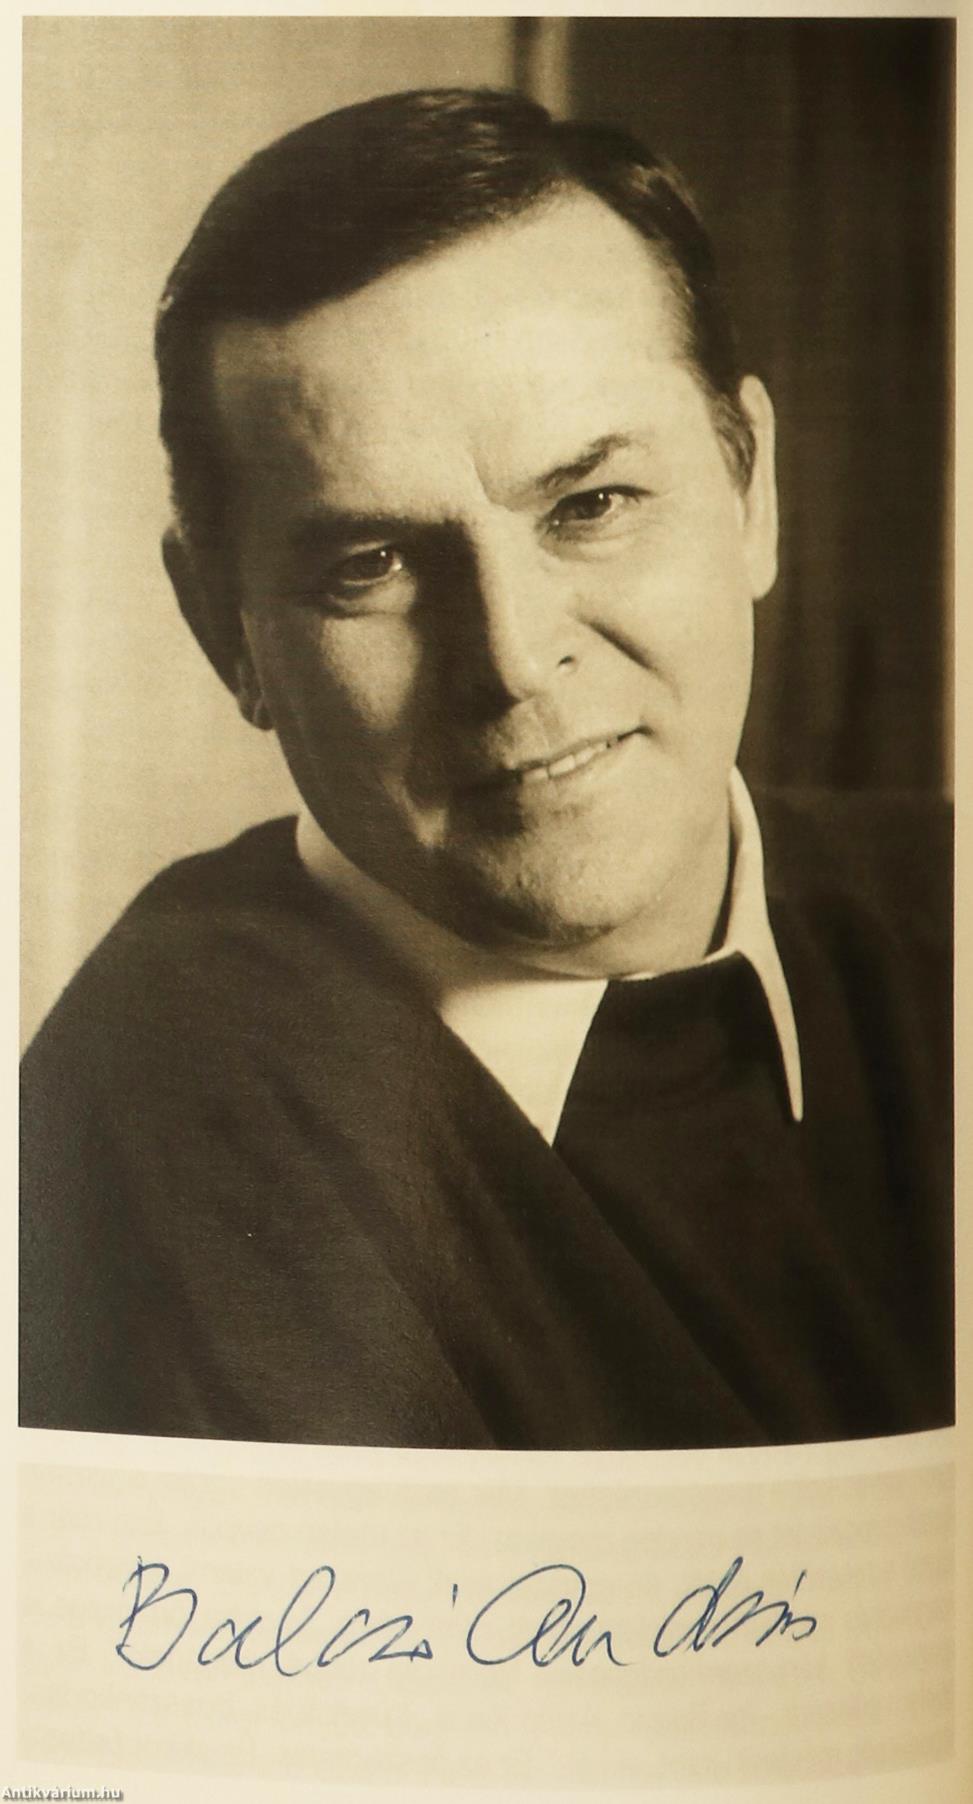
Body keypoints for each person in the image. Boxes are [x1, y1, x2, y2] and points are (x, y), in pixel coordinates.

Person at [20, 87, 952, 1449]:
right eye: (372, 565)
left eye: (590, 506)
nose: (512, 660)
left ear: (750, 493)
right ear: (227, 632)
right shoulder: (138, 1148)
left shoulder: (940, 901)